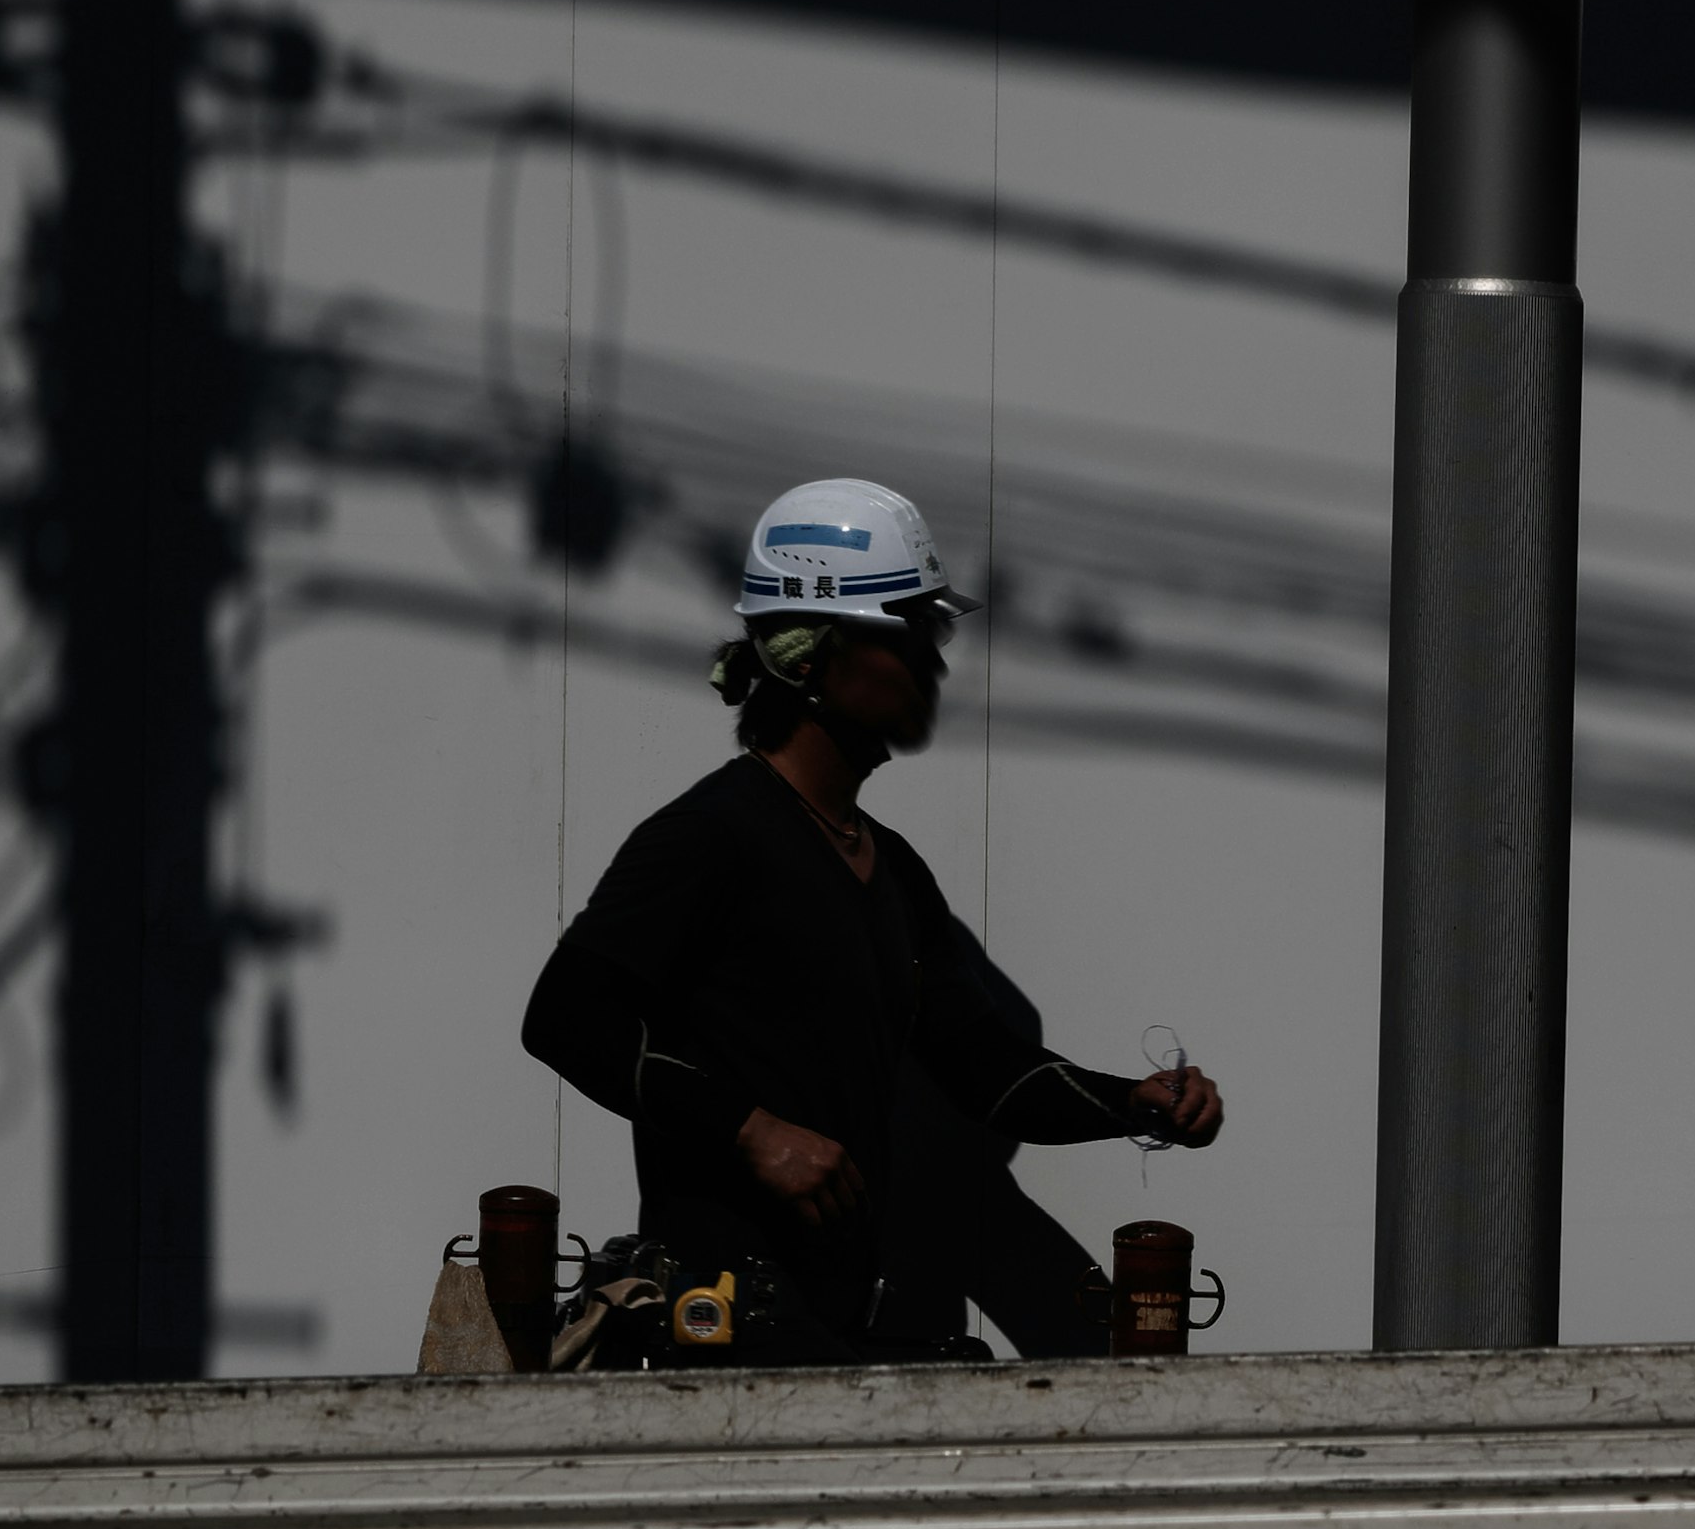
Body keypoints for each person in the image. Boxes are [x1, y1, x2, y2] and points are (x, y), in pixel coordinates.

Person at [521, 477, 1221, 1362]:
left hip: (830, 1331)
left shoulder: (893, 873)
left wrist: (1133, 1102)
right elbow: (565, 1017)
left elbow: (983, 1068)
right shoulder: (711, 835)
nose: (933, 662)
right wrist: (753, 1132)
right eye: (911, 633)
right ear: (806, 657)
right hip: (713, 1336)